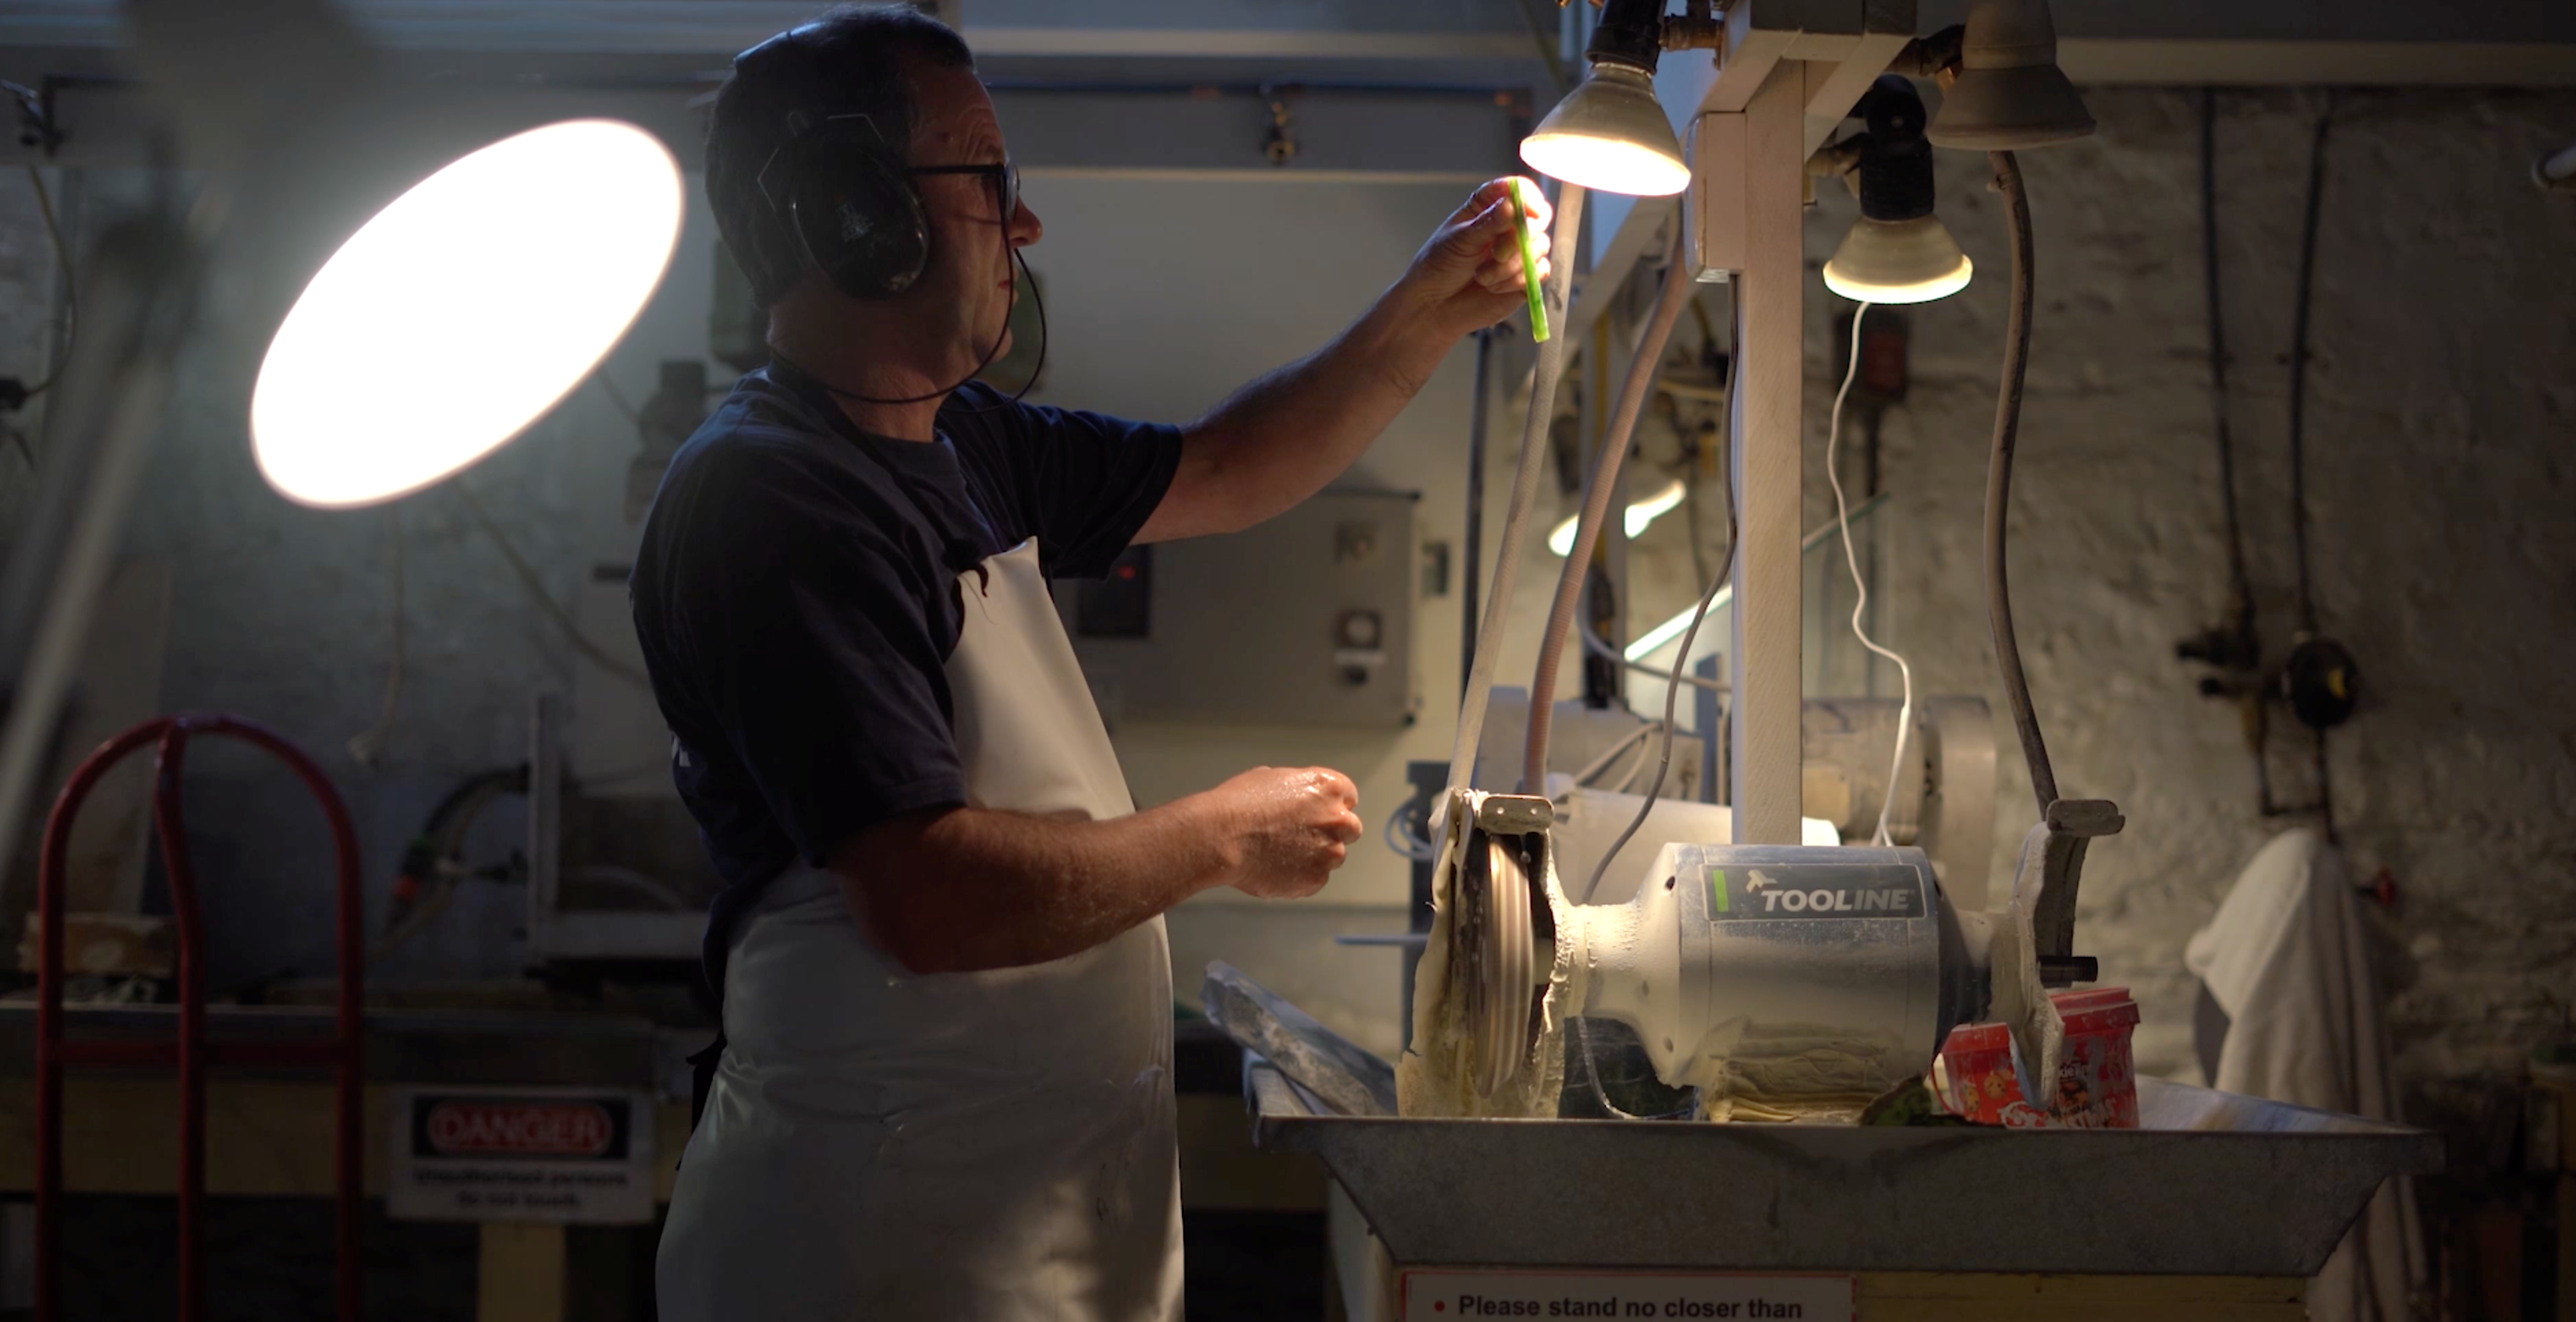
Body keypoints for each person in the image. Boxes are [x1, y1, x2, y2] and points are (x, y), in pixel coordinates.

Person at [633, 6, 1552, 1319]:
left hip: (1006, 1217)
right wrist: (1219, 835)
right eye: (991, 184)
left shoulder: (956, 440)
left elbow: (1228, 468)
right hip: (871, 1238)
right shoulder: (775, 502)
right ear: (857, 215)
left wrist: (1425, 308)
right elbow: (927, 897)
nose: (1026, 227)